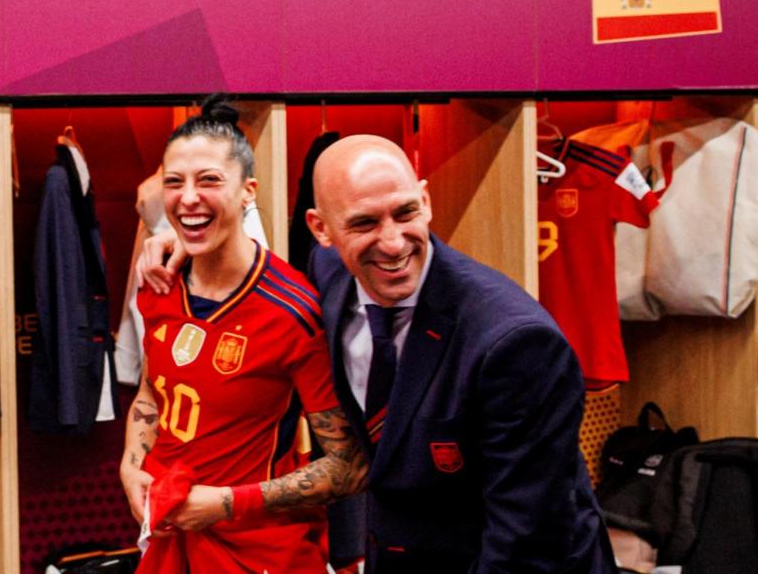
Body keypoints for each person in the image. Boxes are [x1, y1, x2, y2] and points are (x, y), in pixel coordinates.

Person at [139, 134, 616, 573]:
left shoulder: (514, 342)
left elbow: (526, 535)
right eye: (364, 223)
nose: (391, 243)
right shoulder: (327, 274)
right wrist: (180, 242)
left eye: (406, 213)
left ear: (426, 202)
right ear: (321, 230)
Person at [119, 96, 368, 573]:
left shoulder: (292, 312)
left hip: (262, 552)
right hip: (172, 541)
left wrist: (228, 503)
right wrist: (131, 466)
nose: (188, 197)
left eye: (209, 180)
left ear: (247, 191)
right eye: (175, 182)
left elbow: (349, 466)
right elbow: (153, 395)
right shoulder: (159, 283)